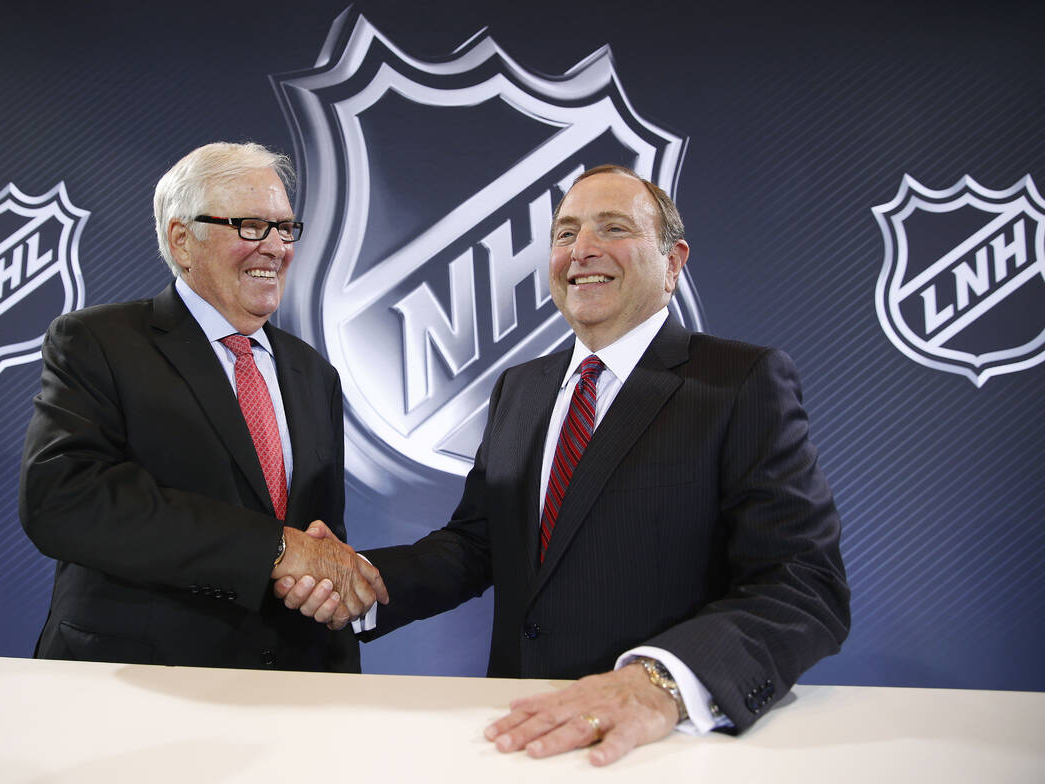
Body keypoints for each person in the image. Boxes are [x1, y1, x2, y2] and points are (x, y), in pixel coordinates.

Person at [278, 164, 850, 763]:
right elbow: (477, 545)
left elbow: (803, 585)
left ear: (674, 261)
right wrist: (364, 582)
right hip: (518, 733)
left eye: (613, 228)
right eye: (565, 233)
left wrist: (659, 684)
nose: (582, 250)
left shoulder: (740, 381)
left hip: (659, 748)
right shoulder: (520, 389)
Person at [20, 141, 385, 672]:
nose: (276, 247)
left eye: (285, 228)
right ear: (182, 239)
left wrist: (331, 601)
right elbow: (64, 500)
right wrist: (274, 549)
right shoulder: (98, 342)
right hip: (137, 684)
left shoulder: (313, 374)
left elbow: (319, 541)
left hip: (293, 685)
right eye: (251, 226)